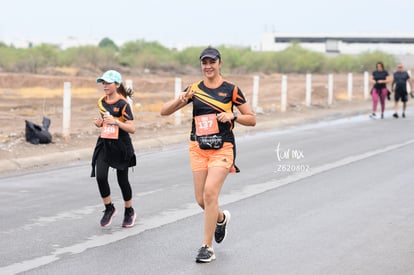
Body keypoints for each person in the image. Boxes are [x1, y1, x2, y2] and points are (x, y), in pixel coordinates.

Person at [160, 47, 256, 263]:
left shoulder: (231, 90)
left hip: (222, 148)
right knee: (202, 200)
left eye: (212, 62)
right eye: (204, 62)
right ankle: (220, 218)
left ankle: (207, 247)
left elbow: (251, 118)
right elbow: (164, 111)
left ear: (220, 63)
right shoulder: (194, 89)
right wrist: (180, 100)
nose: (208, 66)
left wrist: (233, 115)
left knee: (210, 193)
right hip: (198, 148)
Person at [91, 70, 137, 228]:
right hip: (105, 142)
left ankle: (129, 210)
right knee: (100, 176)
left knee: (122, 180)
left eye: (108, 83)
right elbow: (105, 121)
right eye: (102, 82)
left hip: (121, 145)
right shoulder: (101, 102)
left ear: (117, 85)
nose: (104, 86)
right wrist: (100, 123)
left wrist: (116, 122)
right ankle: (109, 208)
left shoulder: (123, 104)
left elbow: (132, 128)